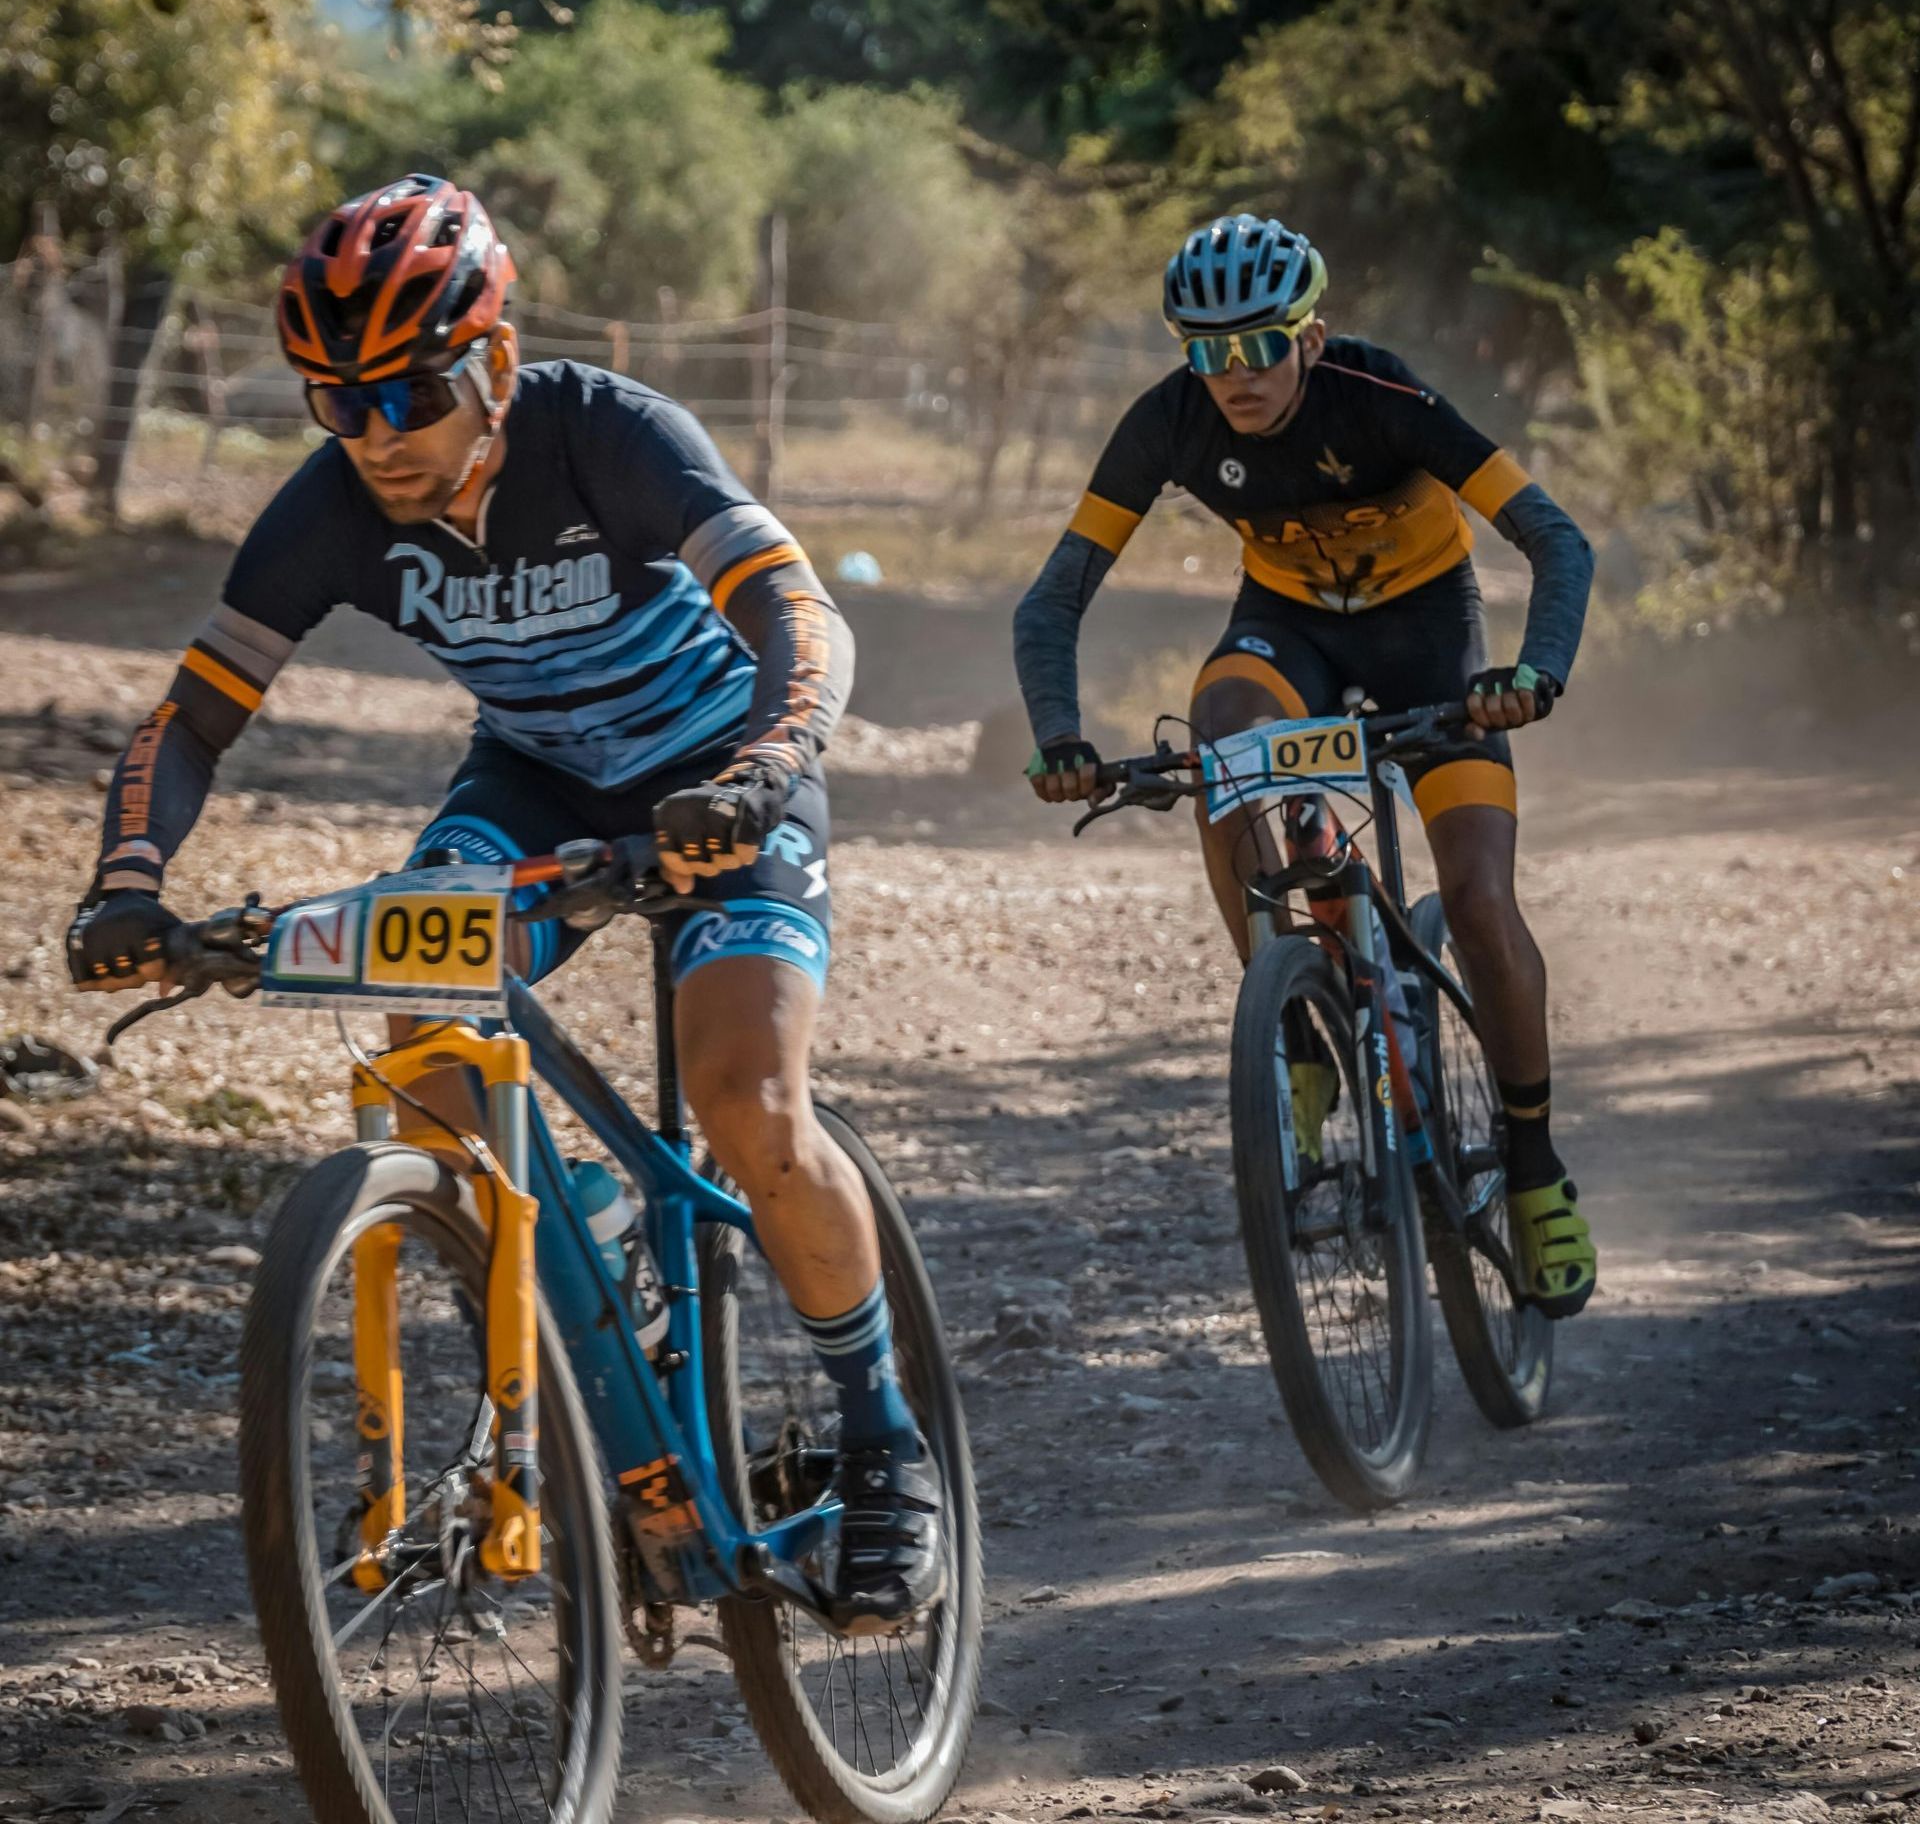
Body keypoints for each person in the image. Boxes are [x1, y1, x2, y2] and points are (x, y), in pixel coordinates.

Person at [65, 173, 941, 1629]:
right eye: (338, 406)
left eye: (410, 394)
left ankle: (884, 1434)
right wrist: (130, 883)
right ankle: (597, 1250)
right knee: (418, 1006)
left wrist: (770, 767)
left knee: (747, 1103)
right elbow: (197, 714)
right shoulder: (332, 508)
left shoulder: (609, 433)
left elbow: (800, 609)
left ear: (498, 363)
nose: (380, 438)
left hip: (722, 783)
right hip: (534, 785)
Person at [1013, 212, 1598, 1317]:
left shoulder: (1383, 399)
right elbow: (1053, 597)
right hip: (1291, 638)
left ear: (1311, 338)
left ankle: (1530, 1167)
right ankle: (1292, 1030)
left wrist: (1537, 671)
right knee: (1220, 725)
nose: (1232, 375)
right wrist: (1060, 737)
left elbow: (1556, 537)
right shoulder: (1170, 423)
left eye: (1257, 346)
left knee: (1476, 899)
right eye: (1206, 350)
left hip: (1432, 643)